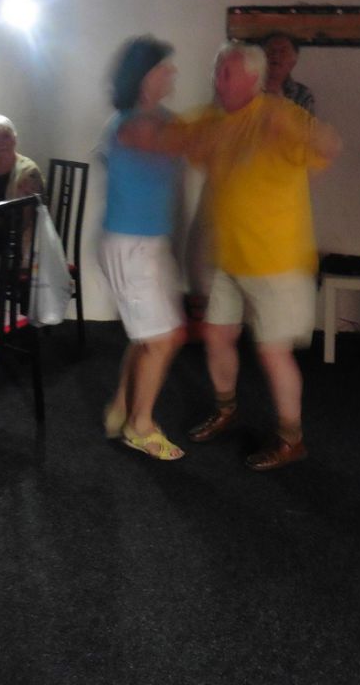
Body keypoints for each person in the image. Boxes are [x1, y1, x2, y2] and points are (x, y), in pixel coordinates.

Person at [121, 42, 340, 471]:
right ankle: (226, 409)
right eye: (216, 69)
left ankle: (291, 439)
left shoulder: (278, 114)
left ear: (253, 79)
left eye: (227, 72)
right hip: (228, 257)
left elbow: (329, 145)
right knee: (218, 336)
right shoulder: (211, 118)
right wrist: (135, 121)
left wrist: (299, 131)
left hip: (277, 262)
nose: (217, 79)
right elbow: (171, 136)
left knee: (273, 353)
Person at [98, 36, 186, 461]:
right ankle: (140, 425)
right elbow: (173, 142)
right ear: (146, 76)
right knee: (162, 338)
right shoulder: (132, 124)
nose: (172, 73)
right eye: (164, 67)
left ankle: (121, 408)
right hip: (130, 246)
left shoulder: (163, 119)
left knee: (149, 335)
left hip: (151, 243)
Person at [0, 115, 44, 206]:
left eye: (6, 136)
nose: (2, 143)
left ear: (14, 139)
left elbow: (35, 211)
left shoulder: (29, 171)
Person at [262, 32, 315, 114]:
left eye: (283, 51)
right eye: (271, 50)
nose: (276, 55)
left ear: (294, 60)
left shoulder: (302, 94)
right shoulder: (248, 89)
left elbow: (306, 122)